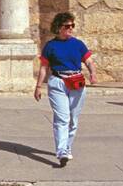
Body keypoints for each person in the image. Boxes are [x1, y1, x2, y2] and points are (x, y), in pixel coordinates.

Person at [33, 12, 97, 166]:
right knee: (62, 118)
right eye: (67, 26)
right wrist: (38, 86)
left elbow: (88, 61)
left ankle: (67, 147)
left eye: (72, 25)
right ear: (59, 27)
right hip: (57, 82)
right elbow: (43, 68)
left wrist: (93, 74)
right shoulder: (50, 46)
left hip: (76, 83)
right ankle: (61, 151)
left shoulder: (78, 44)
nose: (71, 29)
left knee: (73, 119)